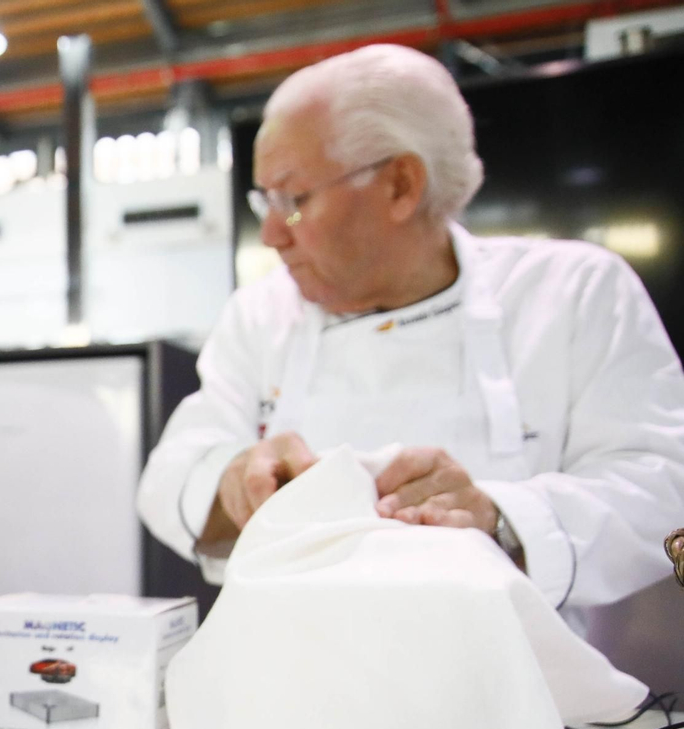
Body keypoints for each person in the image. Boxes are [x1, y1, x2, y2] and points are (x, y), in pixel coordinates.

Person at [139, 44, 684, 619]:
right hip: (298, 677)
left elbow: (664, 488)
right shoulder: (261, 315)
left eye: (293, 200)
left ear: (400, 184)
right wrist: (234, 480)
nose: (272, 233)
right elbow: (171, 473)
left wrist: (499, 516)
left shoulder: (573, 292)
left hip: (528, 691)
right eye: (263, 201)